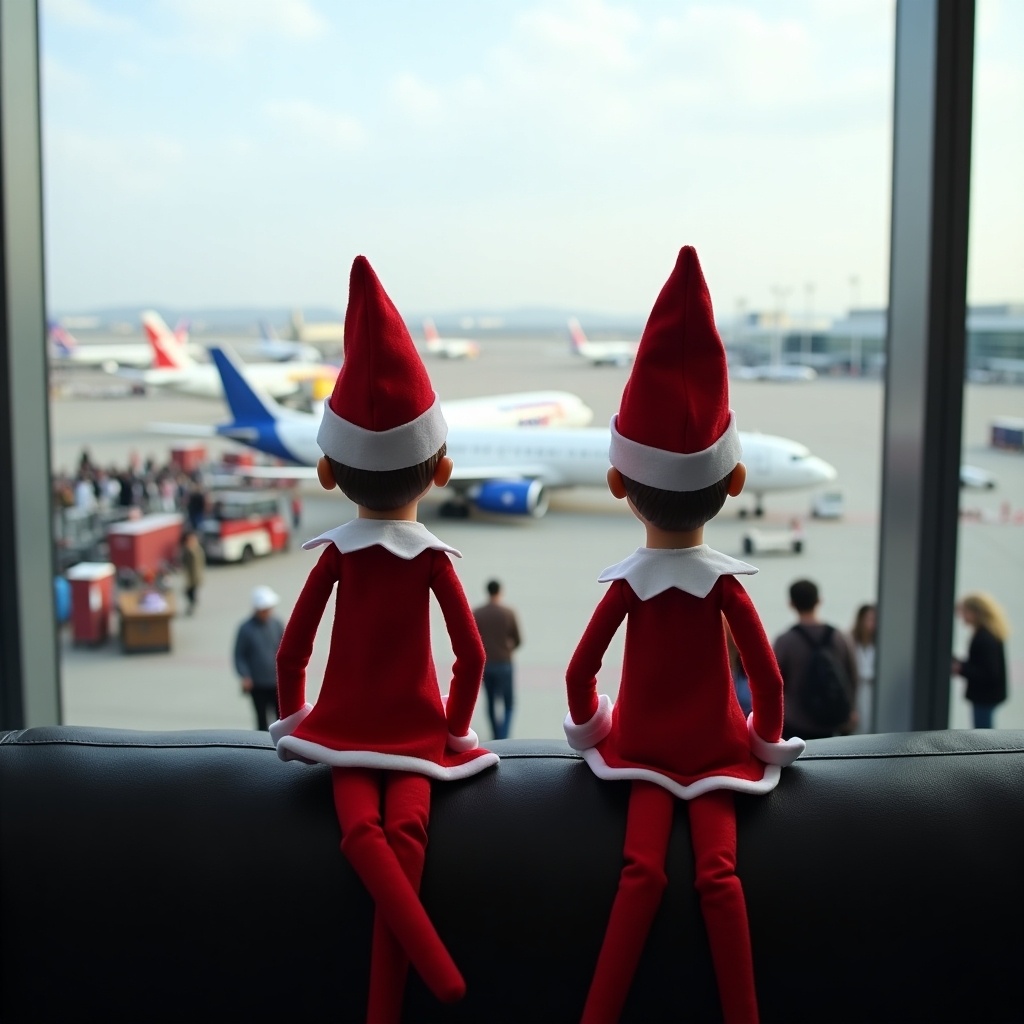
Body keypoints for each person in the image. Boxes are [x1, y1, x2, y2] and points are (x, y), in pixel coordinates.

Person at [563, 246, 805, 1024]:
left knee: (639, 875)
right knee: (721, 877)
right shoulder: (728, 588)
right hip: (717, 750)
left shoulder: (627, 585)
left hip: (637, 748)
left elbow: (578, 674)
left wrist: (597, 728)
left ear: (617, 481)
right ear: (734, 483)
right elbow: (766, 684)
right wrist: (764, 741)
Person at [269, 256, 496, 1023]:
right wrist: (456, 728)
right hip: (416, 729)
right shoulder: (434, 560)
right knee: (408, 829)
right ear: (441, 470)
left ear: (328, 471)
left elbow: (291, 651)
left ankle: (418, 976)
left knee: (361, 831)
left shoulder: (333, 558)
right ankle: (410, 986)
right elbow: (471, 655)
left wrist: (295, 716)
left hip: (342, 725)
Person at [773, 579, 858, 740]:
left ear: (791, 604)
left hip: (796, 722)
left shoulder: (785, 641)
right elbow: (852, 675)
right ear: (819, 601)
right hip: (833, 721)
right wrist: (851, 709)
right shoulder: (840, 637)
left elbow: (775, 681)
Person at [473, 579, 522, 739]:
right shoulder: (508, 612)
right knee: (508, 703)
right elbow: (517, 639)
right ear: (500, 591)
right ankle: (504, 736)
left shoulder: (478, 613)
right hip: (504, 663)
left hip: (486, 664)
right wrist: (507, 649)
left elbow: (473, 639)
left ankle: (496, 737)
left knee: (491, 702)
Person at [952, 592, 1009, 729]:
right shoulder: (989, 633)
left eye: (965, 612)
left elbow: (989, 672)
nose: (962, 617)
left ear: (975, 612)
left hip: (984, 696)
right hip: (989, 694)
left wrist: (961, 668)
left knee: (983, 734)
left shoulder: (984, 637)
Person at [233, 585, 284, 732]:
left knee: (280, 719)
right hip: (258, 684)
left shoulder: (276, 624)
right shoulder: (246, 629)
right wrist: (245, 676)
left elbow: (283, 649)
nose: (267, 612)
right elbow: (239, 655)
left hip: (276, 683)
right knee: (261, 720)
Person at [849, 602, 877, 733]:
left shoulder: (880, 644)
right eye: (869, 619)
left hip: (874, 692)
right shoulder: (850, 642)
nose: (872, 624)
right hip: (857, 692)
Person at [180, 530, 205, 615]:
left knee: (191, 592)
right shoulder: (187, 550)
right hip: (190, 576)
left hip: (196, 576)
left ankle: (192, 604)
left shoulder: (196, 549)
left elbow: (199, 562)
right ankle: (192, 603)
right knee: (187, 592)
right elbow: (183, 561)